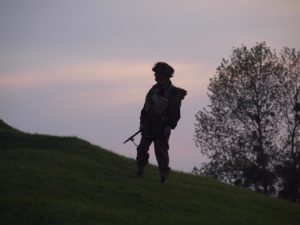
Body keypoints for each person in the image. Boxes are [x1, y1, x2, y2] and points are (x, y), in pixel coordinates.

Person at [136, 62, 187, 183]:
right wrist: (142, 122)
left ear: (163, 75)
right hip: (148, 125)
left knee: (161, 153)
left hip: (162, 127)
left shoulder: (173, 92)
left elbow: (175, 112)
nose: (154, 75)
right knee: (142, 149)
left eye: (156, 73)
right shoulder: (153, 89)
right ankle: (139, 171)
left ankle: (163, 178)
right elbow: (145, 108)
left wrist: (169, 126)